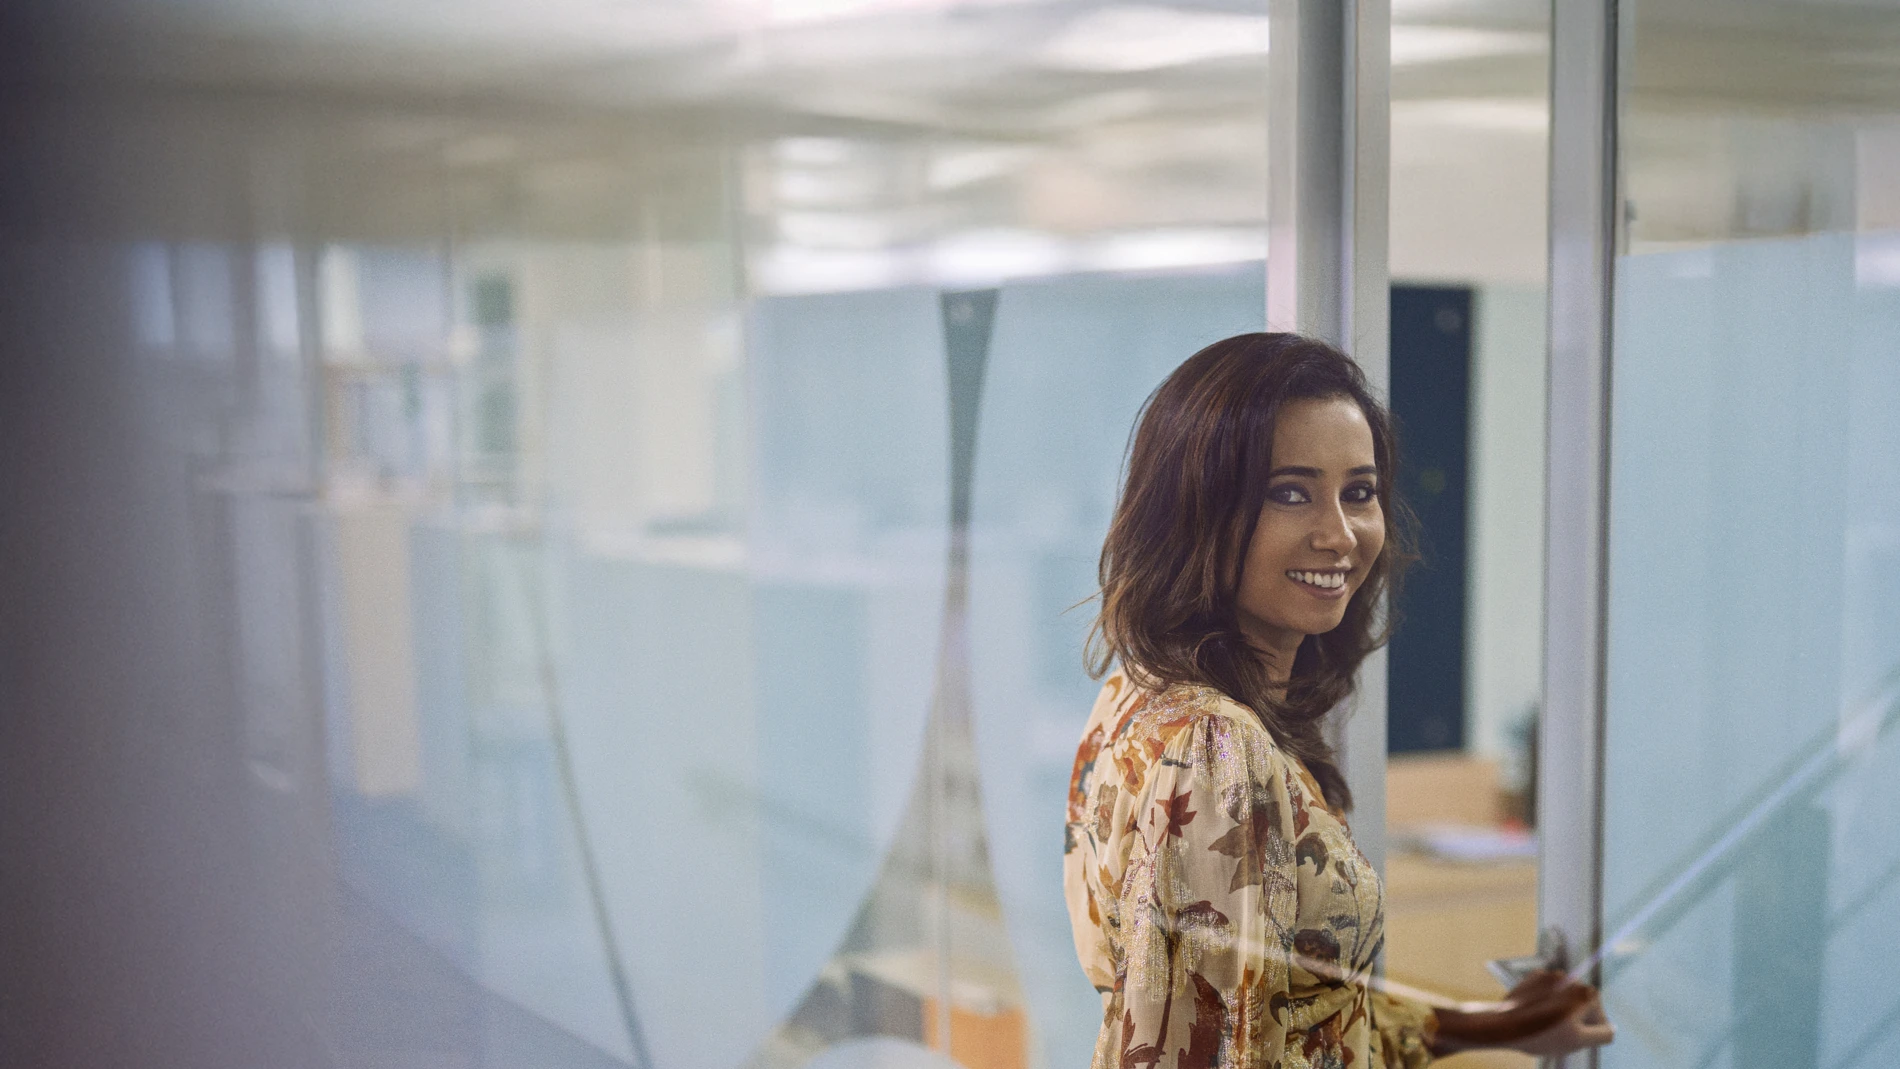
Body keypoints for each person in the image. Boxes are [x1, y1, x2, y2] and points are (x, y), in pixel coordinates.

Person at [1062, 333, 1615, 1067]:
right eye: (1290, 493)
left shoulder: (1140, 690)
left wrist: (1493, 1025)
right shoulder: (1215, 746)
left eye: (1360, 492)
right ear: (1199, 510)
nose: (1340, 533)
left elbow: (1294, 1006)